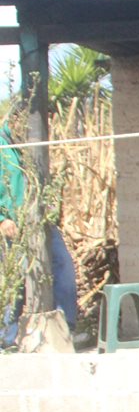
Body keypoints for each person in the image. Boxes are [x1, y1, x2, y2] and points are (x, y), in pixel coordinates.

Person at [1, 122, 78, 347]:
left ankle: (65, 329)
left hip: (37, 219)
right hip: (12, 222)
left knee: (62, 265)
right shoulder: (3, 146)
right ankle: (6, 337)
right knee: (14, 279)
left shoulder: (24, 147)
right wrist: (2, 219)